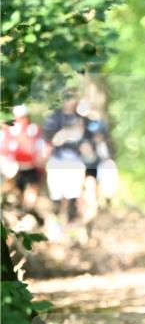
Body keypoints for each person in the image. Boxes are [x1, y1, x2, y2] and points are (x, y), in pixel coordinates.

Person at [42, 90, 92, 226]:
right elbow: (49, 140)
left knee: (73, 197)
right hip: (57, 161)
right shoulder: (54, 118)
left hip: (75, 162)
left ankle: (71, 228)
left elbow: (87, 142)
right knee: (56, 197)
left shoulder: (82, 119)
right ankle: (55, 227)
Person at [0, 104, 45, 222]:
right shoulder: (10, 131)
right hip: (16, 169)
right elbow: (4, 148)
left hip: (31, 168)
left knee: (31, 195)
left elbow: (38, 149)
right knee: (15, 191)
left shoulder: (33, 130)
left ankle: (27, 213)